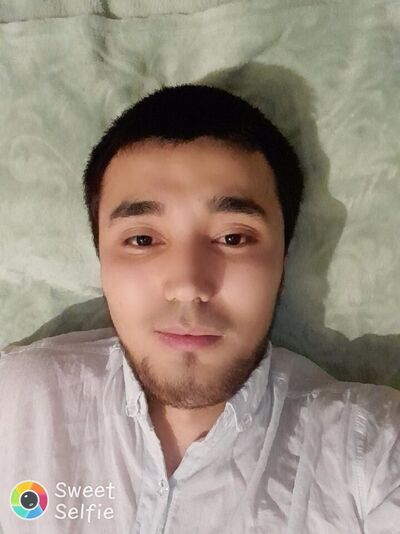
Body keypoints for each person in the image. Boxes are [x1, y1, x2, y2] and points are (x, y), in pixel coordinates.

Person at [0, 84, 399, 533]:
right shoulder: (15, 402)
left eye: (233, 238)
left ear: (283, 261)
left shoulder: (372, 450)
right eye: (142, 239)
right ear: (101, 261)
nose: (188, 285)